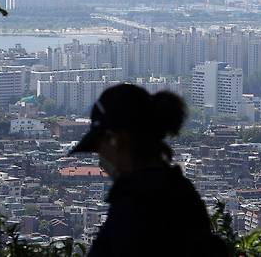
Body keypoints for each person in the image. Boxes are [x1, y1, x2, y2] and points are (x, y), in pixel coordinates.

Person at [70, 84, 226, 257]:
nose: (101, 158)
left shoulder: (134, 206)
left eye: (100, 146)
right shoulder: (183, 192)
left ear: (117, 139)